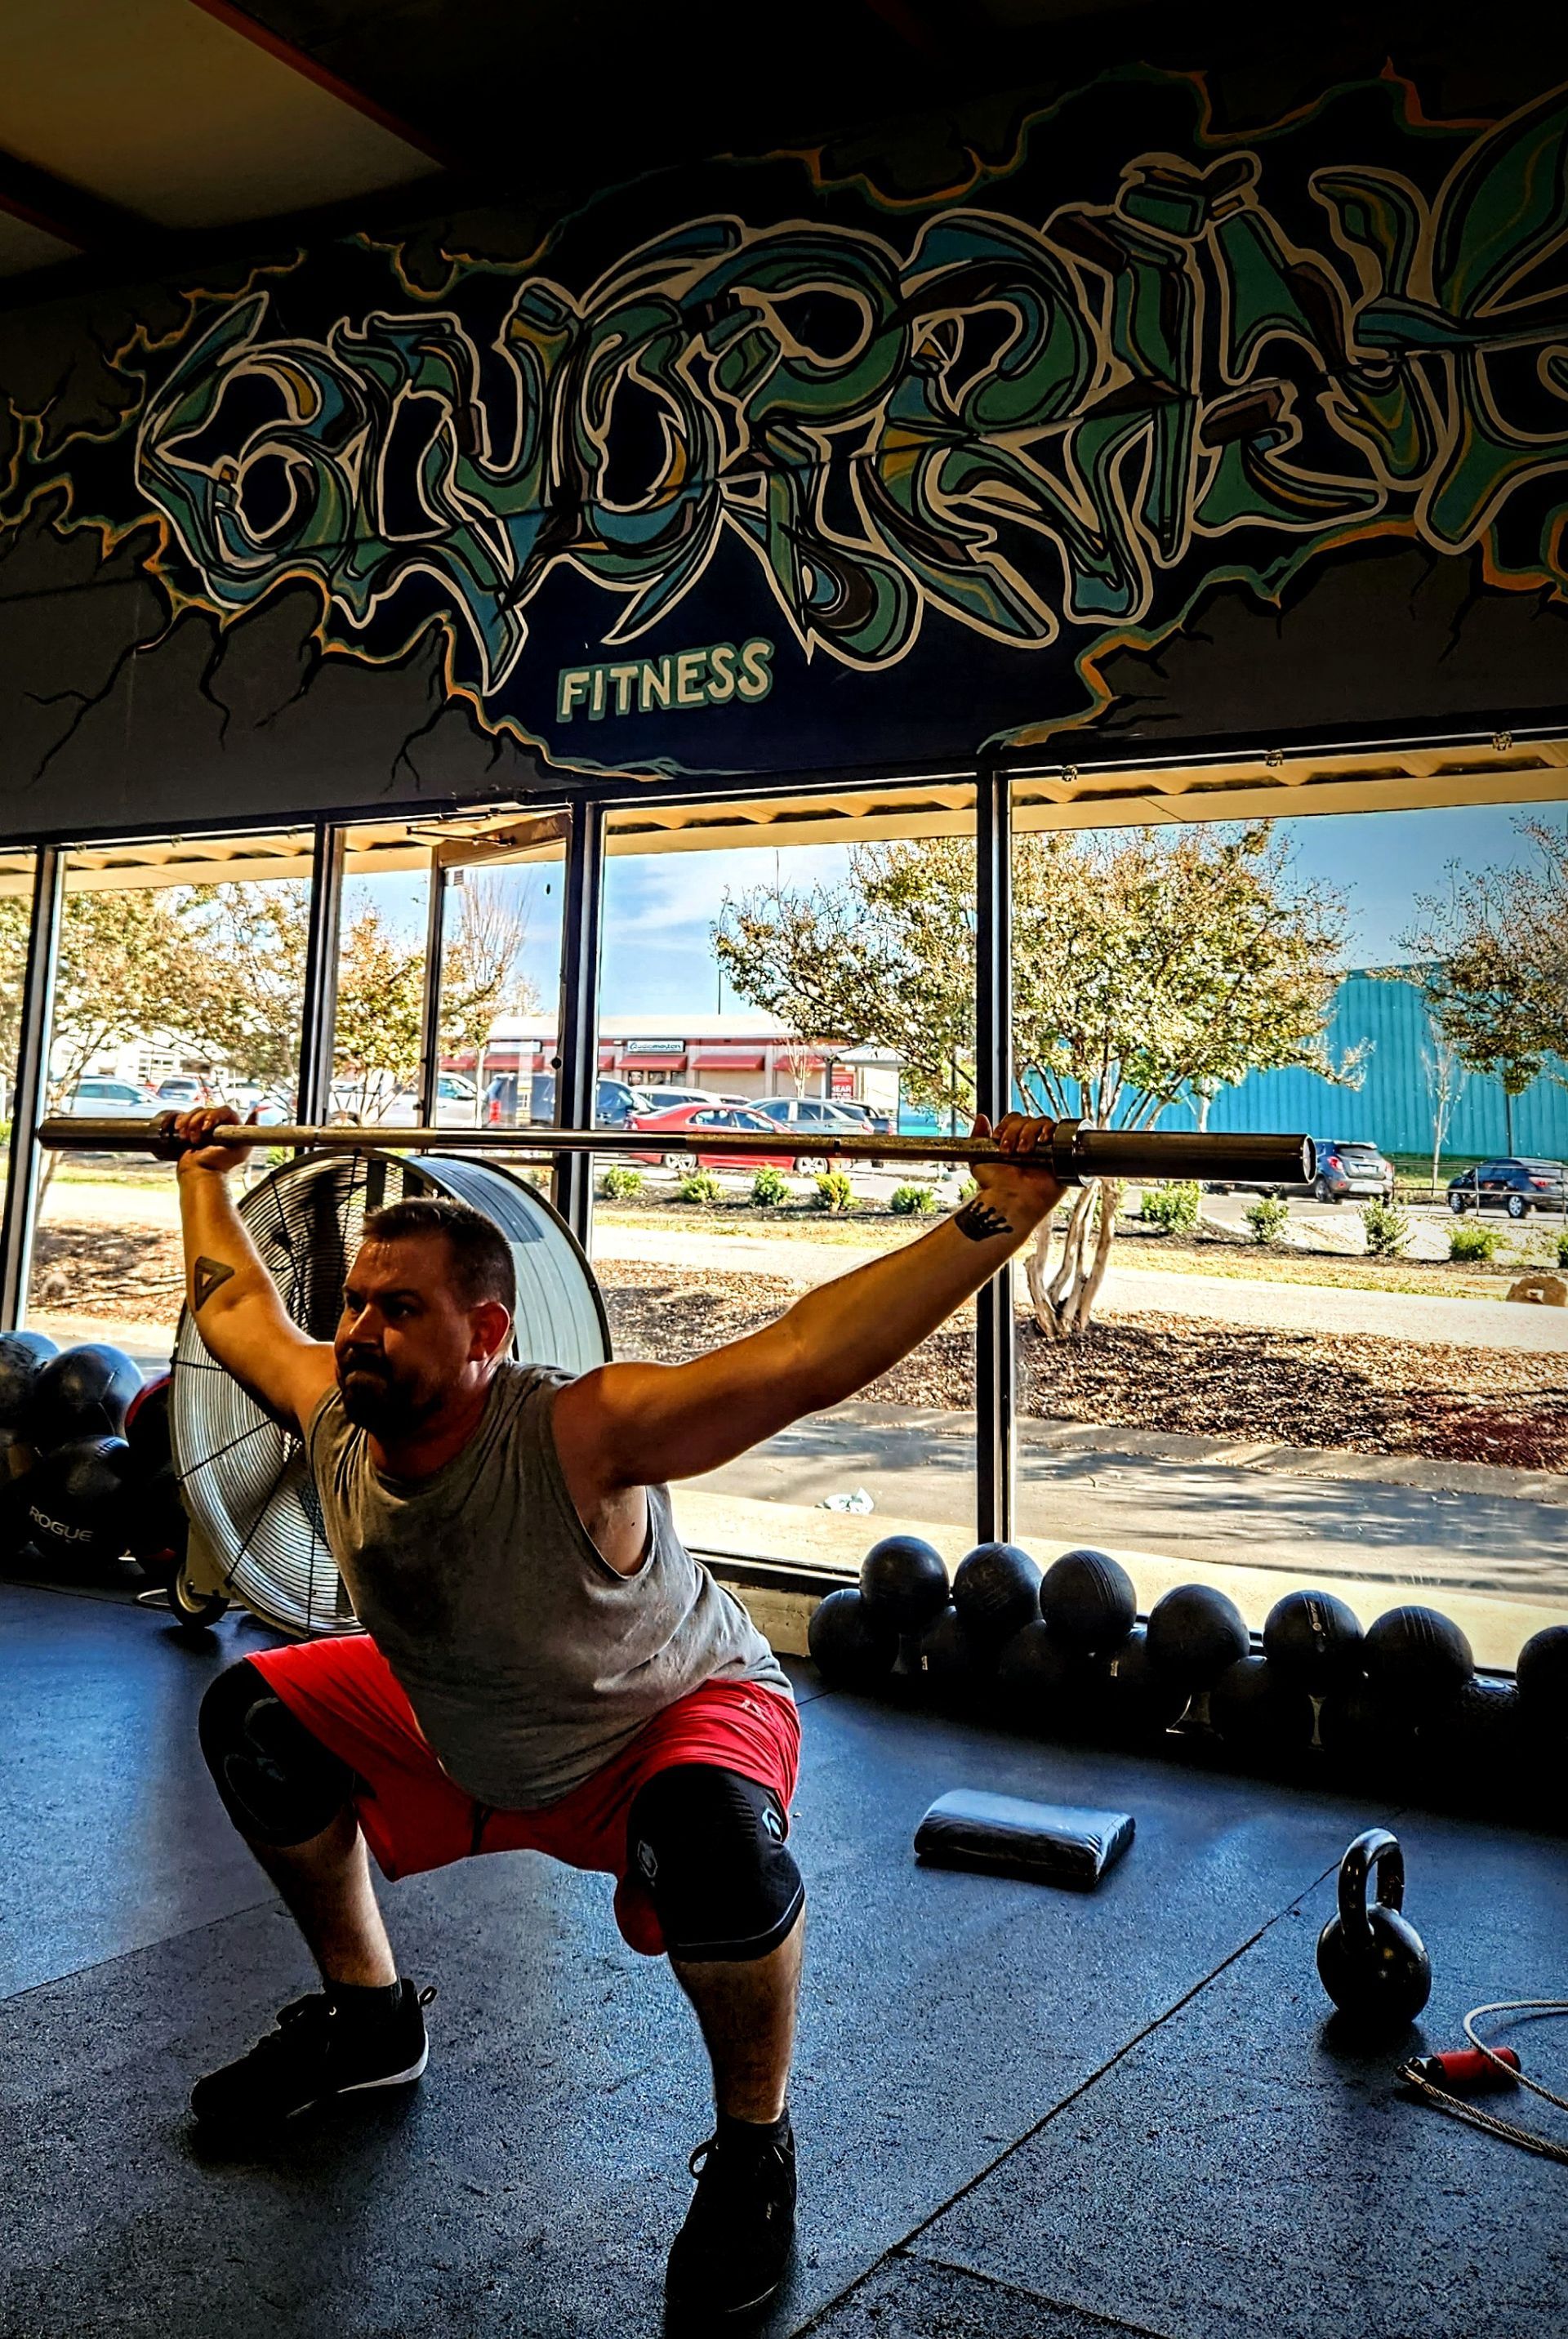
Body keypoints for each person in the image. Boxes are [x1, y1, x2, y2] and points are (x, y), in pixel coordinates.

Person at [172, 1104, 1065, 2316]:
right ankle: (369, 2017)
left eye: (400, 1308)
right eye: (354, 1303)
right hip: (466, 1721)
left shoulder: (579, 1431)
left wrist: (1000, 1213)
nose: (359, 1331)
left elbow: (800, 1357)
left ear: (488, 1331)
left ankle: (756, 2150)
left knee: (713, 1846)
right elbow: (232, 1308)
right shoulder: (333, 1411)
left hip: (670, 1717)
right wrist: (204, 1177)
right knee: (255, 1717)